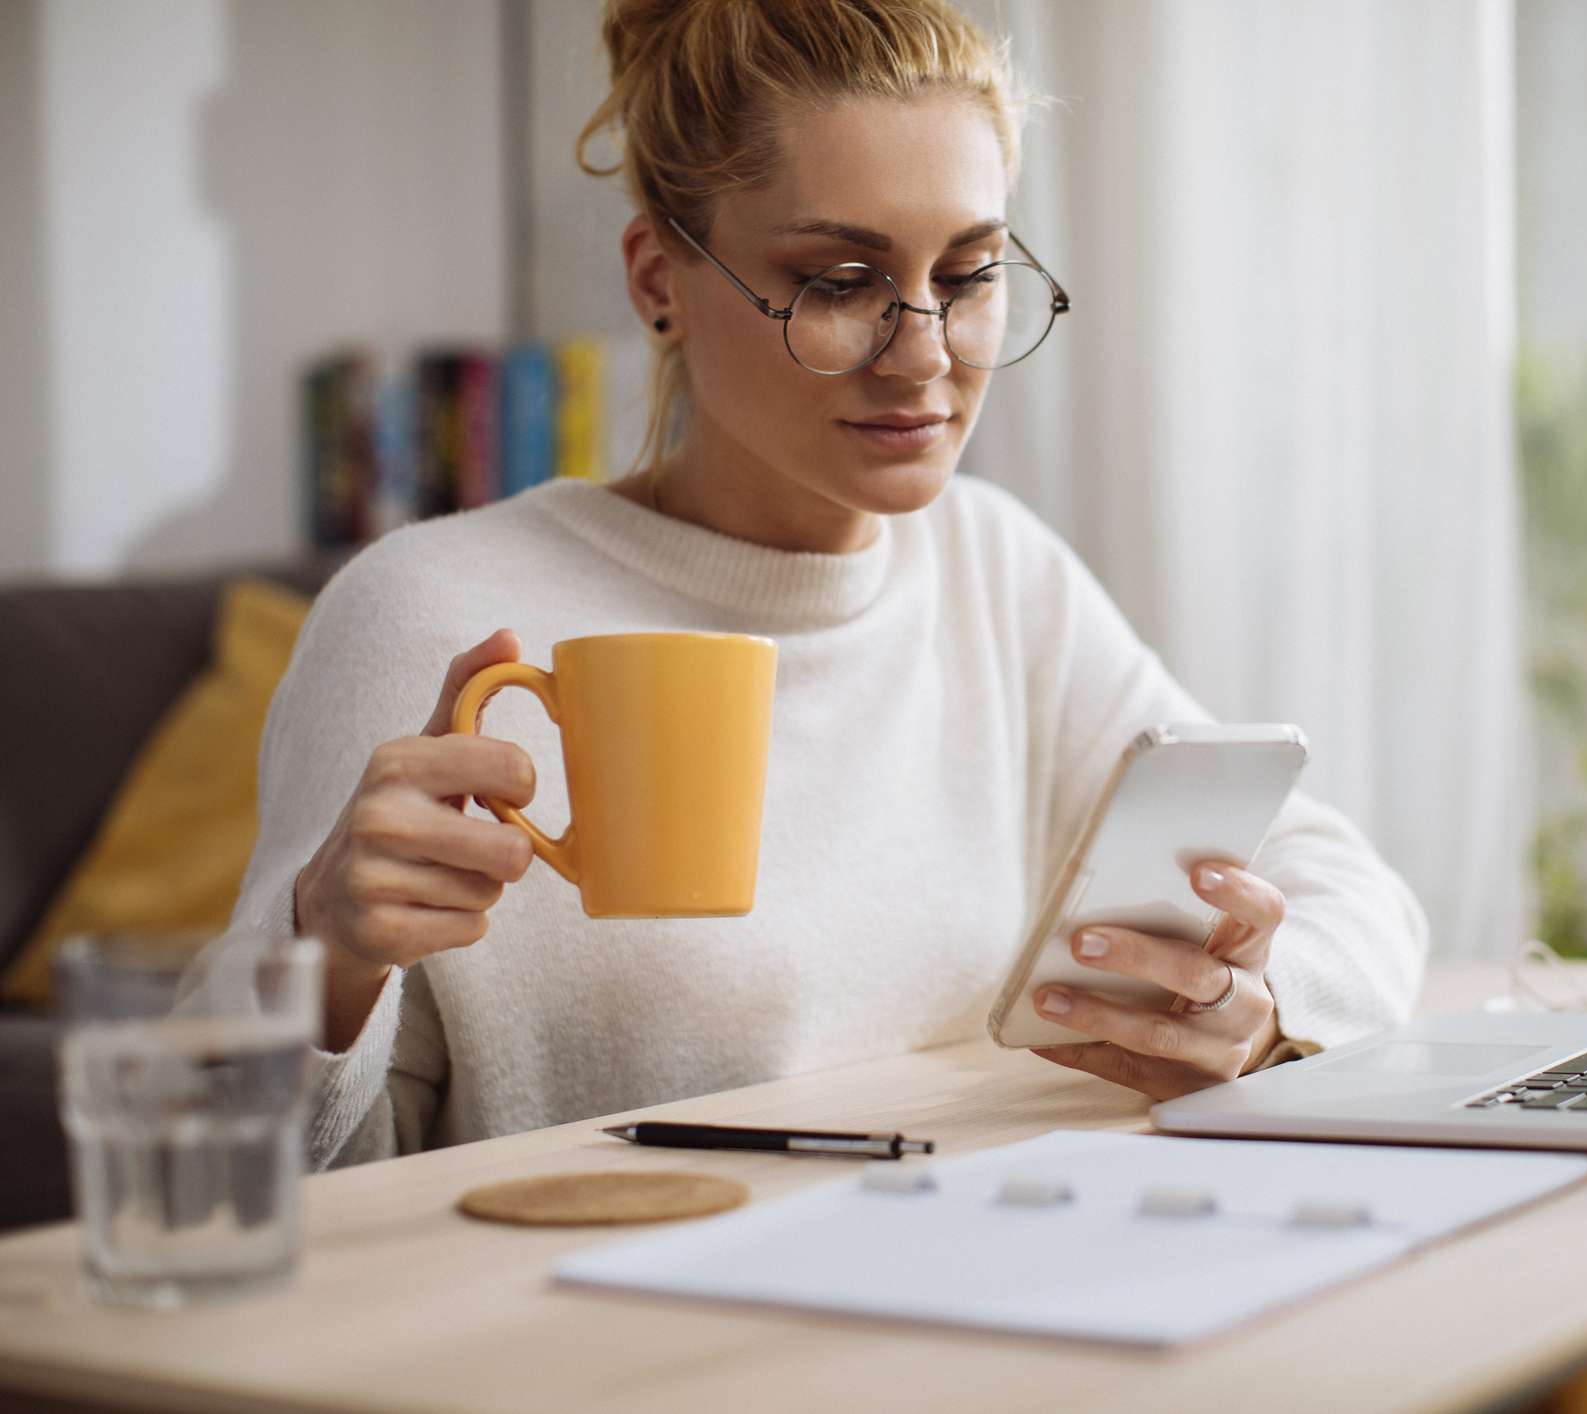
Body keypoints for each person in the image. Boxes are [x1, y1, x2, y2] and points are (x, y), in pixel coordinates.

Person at [222, 0, 1429, 1170]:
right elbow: (244, 1170)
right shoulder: (435, 612)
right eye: (839, 280)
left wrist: (1265, 1006)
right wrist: (324, 964)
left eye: (968, 275)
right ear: (658, 281)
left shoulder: (995, 570)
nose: (924, 357)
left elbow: (1356, 893)